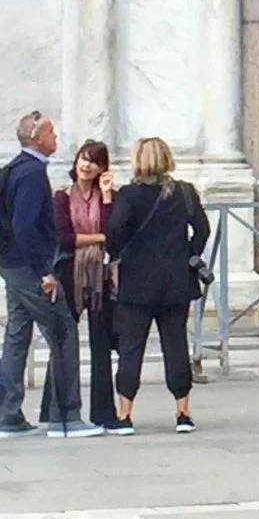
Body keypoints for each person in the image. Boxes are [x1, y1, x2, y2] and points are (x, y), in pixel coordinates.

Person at [0, 111, 103, 438]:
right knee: (62, 330)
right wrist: (44, 271)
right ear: (36, 137)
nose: (56, 137)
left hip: (12, 264)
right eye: (51, 132)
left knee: (17, 334)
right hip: (28, 267)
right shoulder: (31, 173)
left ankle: (8, 415)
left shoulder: (15, 168)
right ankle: (65, 416)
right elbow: (25, 226)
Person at [105, 137, 210, 435]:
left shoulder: (128, 195)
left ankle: (125, 414)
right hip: (176, 280)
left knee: (131, 347)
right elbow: (202, 229)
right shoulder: (184, 192)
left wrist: (120, 253)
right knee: (176, 344)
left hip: (137, 282)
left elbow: (114, 233)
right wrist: (189, 253)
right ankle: (183, 413)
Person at [40, 140, 116, 430]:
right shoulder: (62, 197)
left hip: (101, 276)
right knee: (63, 341)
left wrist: (106, 197)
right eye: (84, 159)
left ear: (102, 168)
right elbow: (64, 238)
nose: (87, 165)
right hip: (69, 273)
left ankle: (103, 413)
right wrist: (98, 238)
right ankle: (54, 409)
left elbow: (113, 231)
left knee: (101, 343)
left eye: (94, 161)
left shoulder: (109, 197)